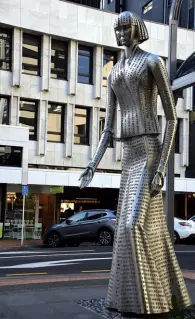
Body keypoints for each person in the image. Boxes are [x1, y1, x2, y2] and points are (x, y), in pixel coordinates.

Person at [79, 11, 191, 316]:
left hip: (149, 149)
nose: (120, 33)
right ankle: (139, 299)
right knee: (137, 230)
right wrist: (93, 163)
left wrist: (160, 168)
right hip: (128, 155)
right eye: (117, 28)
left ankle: (151, 302)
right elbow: (108, 129)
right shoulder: (114, 72)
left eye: (125, 27)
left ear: (137, 29)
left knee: (132, 225)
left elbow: (171, 118)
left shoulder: (154, 62)